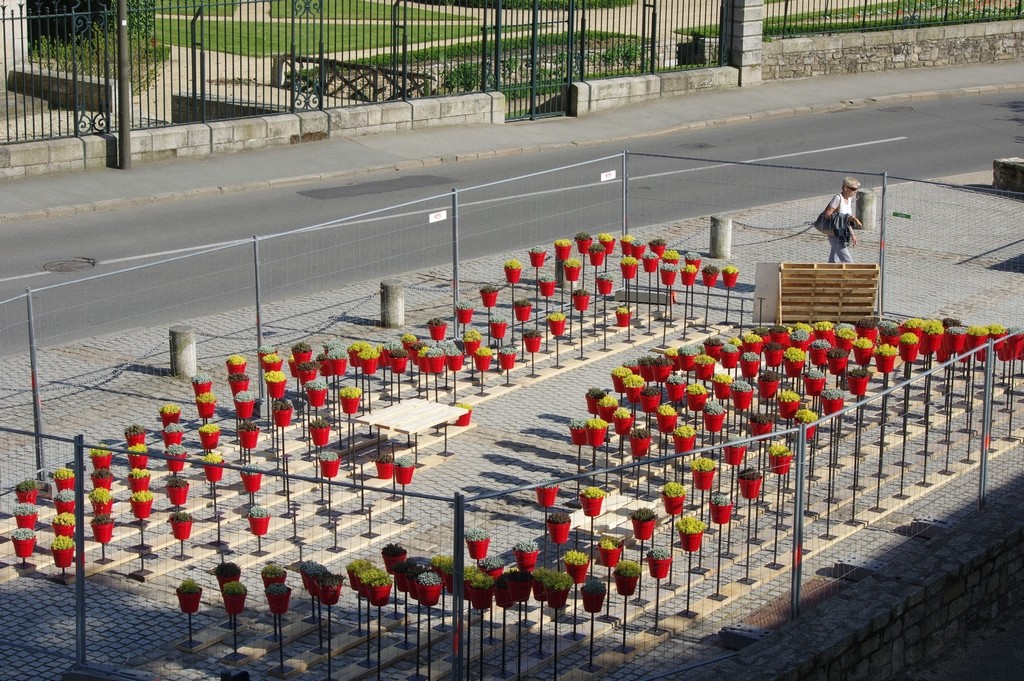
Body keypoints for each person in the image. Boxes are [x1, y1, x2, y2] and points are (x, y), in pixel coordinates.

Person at [823, 177, 863, 263]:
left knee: (833, 261)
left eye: (856, 189)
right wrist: (846, 217)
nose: (855, 191)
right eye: (853, 189)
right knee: (848, 261)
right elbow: (827, 214)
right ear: (845, 188)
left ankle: (828, 274)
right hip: (835, 234)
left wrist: (852, 234)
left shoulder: (848, 199)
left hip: (842, 234)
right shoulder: (838, 198)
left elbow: (847, 221)